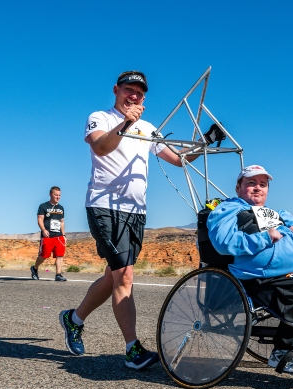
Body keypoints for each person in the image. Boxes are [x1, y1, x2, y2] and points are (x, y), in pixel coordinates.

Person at [59, 70, 197, 370]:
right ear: (116, 90)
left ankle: (74, 318)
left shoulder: (148, 128)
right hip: (104, 207)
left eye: (139, 93)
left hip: (135, 211)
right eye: (129, 90)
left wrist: (203, 144)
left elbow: (179, 159)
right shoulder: (101, 118)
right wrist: (127, 122)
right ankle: (133, 349)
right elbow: (101, 146)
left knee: (113, 275)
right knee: (124, 276)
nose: (134, 96)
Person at [207, 165, 293, 374]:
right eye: (251, 183)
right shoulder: (228, 210)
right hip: (259, 275)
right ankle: (283, 351)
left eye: (262, 185)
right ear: (238, 188)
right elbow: (223, 242)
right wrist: (264, 237)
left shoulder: (271, 213)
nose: (258, 188)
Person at [31, 186, 66, 281]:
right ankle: (34, 268)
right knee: (44, 256)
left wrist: (63, 235)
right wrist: (43, 229)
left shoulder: (61, 208)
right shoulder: (43, 206)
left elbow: (62, 222)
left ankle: (58, 274)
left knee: (60, 255)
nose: (58, 197)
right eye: (56, 195)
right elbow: (40, 219)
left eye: (59, 195)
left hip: (58, 236)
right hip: (47, 236)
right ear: (50, 194)